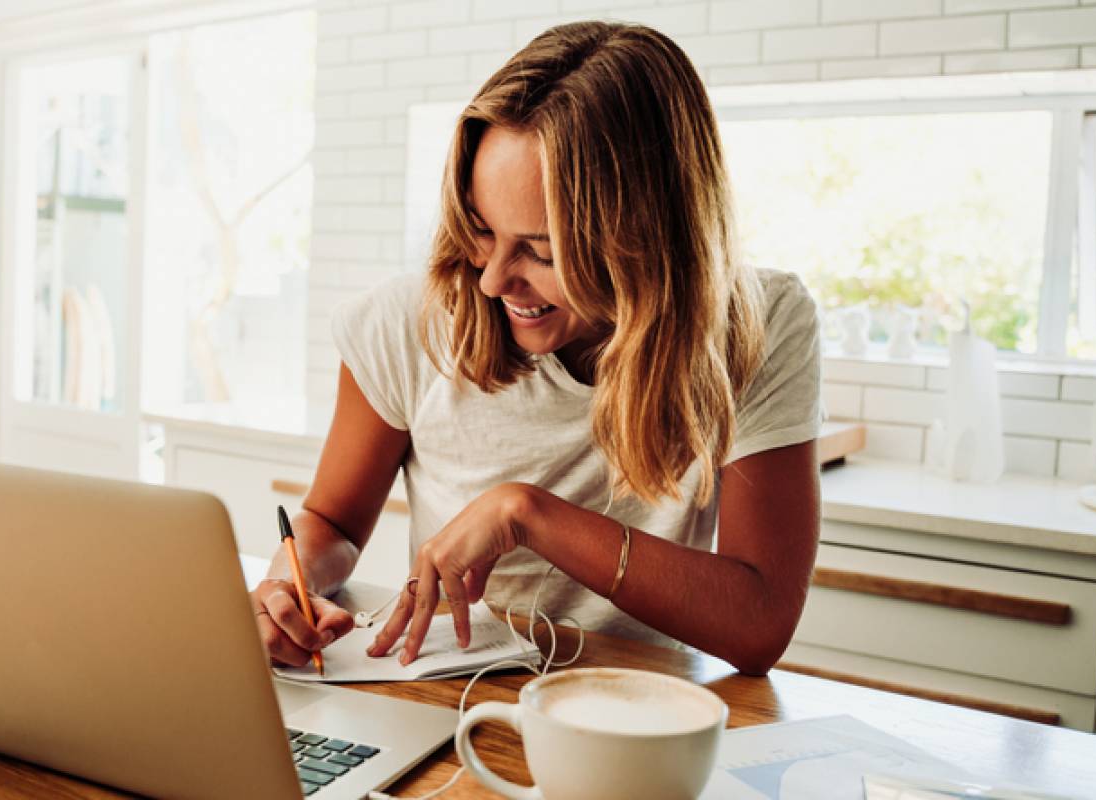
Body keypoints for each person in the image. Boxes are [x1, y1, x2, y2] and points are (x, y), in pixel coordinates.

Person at [250, 21, 821, 676]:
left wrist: (527, 515)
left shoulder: (757, 323)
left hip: (639, 721)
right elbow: (331, 522)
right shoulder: (401, 322)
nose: (493, 280)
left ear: (649, 239)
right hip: (445, 698)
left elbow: (759, 625)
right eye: (481, 229)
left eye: (542, 252)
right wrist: (285, 588)